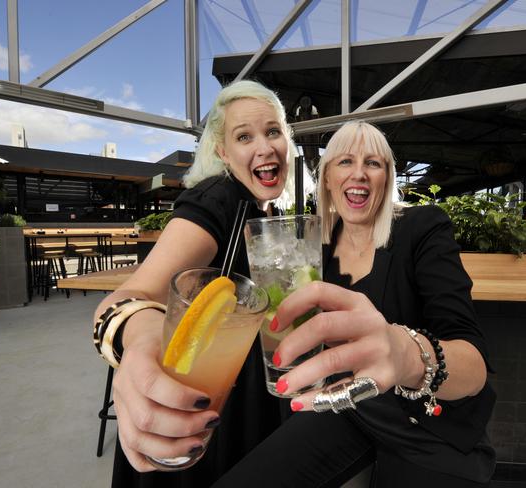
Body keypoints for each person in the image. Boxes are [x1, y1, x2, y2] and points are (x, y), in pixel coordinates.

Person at [213, 121, 496, 487]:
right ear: (327, 178)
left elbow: (475, 366)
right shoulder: (316, 249)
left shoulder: (422, 227)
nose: (359, 173)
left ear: (387, 177)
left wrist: (406, 355)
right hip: (344, 409)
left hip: (425, 427)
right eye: (345, 162)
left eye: (373, 163)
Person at [93, 79, 303, 487]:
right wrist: (141, 339)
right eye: (245, 136)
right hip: (197, 410)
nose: (264, 147)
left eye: (273, 131)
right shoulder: (217, 198)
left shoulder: (262, 211)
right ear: (223, 152)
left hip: (240, 401)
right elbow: (130, 296)